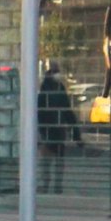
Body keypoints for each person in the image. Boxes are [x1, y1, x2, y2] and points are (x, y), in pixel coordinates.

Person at [37, 60, 78, 195]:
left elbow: (67, 110)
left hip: (55, 130)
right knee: (50, 161)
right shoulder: (47, 88)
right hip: (50, 129)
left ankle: (53, 186)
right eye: (55, 71)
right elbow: (41, 111)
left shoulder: (56, 88)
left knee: (53, 161)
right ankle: (50, 185)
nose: (57, 74)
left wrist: (75, 131)